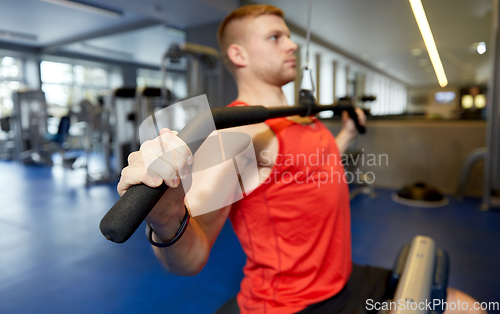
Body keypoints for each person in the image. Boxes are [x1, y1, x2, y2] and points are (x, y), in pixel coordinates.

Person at [117, 4, 486, 314]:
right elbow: (190, 258)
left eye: (289, 36)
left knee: (466, 306)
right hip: (293, 303)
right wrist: (167, 216)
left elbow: (307, 171)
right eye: (275, 37)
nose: (291, 45)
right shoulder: (241, 135)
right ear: (238, 54)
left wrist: (345, 136)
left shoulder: (300, 117)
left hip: (341, 277)